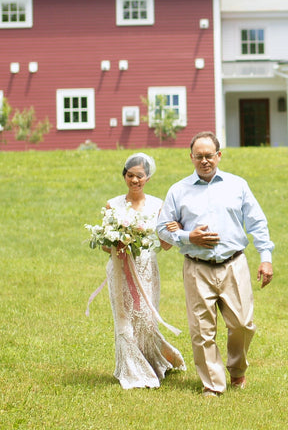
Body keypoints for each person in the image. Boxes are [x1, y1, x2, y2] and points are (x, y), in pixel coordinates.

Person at [157, 131, 275, 397]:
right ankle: (213, 385)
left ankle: (237, 370)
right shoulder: (178, 190)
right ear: (191, 158)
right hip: (197, 267)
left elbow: (257, 222)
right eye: (198, 156)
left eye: (209, 155)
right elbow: (162, 229)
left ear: (219, 156)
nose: (204, 161)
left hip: (233, 264)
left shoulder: (237, 185)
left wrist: (265, 258)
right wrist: (189, 237)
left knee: (243, 324)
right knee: (202, 330)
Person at [103, 152, 186, 389]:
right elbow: (104, 245)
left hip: (146, 269)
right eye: (130, 175)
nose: (134, 180)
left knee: (147, 320)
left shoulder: (158, 206)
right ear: (124, 176)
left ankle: (153, 361)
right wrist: (116, 243)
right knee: (124, 321)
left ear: (147, 178)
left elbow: (166, 244)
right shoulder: (112, 205)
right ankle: (131, 371)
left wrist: (177, 228)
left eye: (139, 176)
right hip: (119, 269)